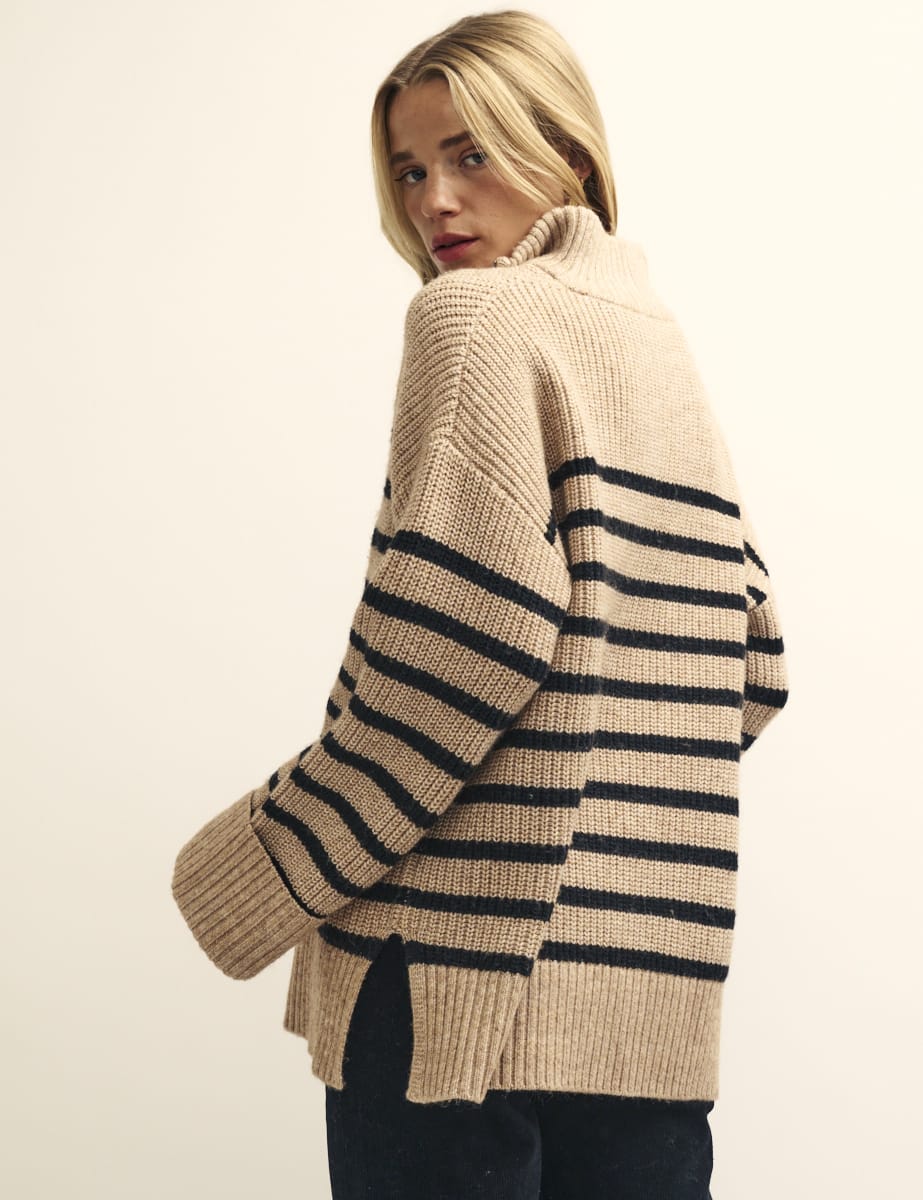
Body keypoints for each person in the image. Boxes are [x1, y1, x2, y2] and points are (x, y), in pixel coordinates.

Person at [171, 9, 789, 1198]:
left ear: (566, 152)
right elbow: (751, 660)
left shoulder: (472, 318)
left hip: (452, 974)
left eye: (470, 153)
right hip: (643, 1001)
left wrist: (257, 865)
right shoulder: (656, 346)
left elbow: (464, 647)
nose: (433, 203)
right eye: (409, 170)